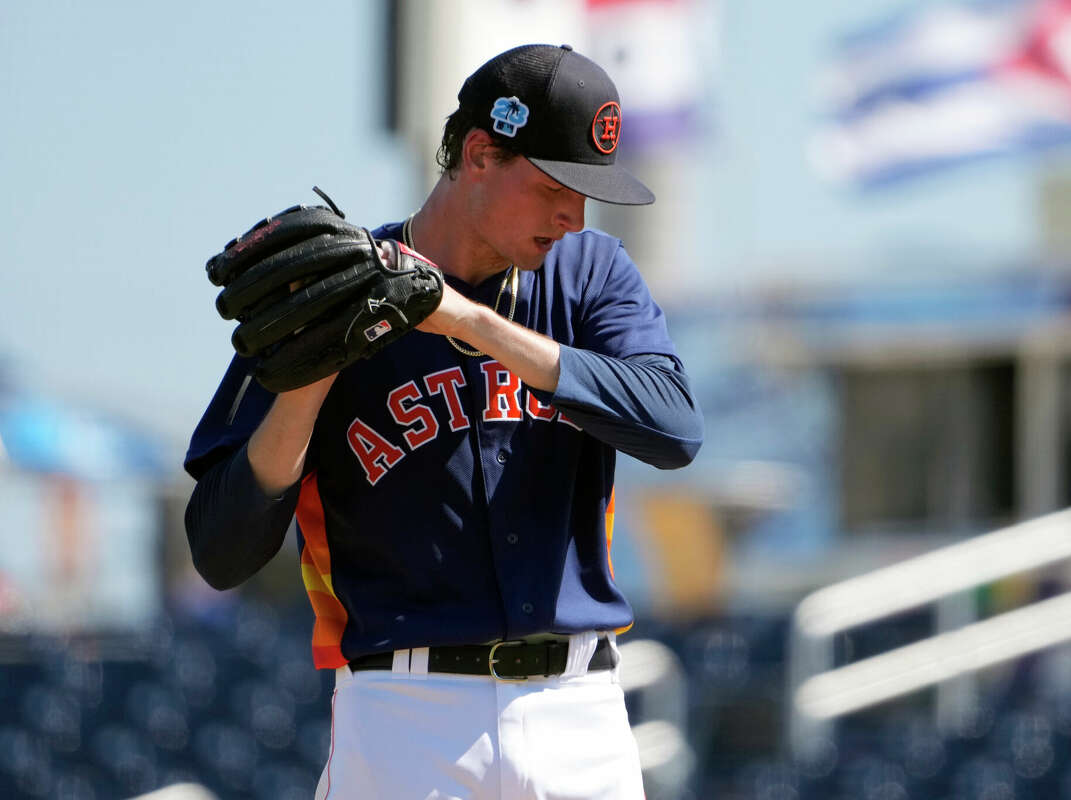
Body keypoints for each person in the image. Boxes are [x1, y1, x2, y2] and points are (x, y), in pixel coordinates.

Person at [184, 43, 703, 799]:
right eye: (556, 183)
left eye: (587, 193)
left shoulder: (591, 274)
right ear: (480, 154)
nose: (573, 214)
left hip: (578, 712)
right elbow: (220, 550)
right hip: (405, 714)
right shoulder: (336, 287)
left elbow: (674, 427)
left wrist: (463, 318)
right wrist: (310, 375)